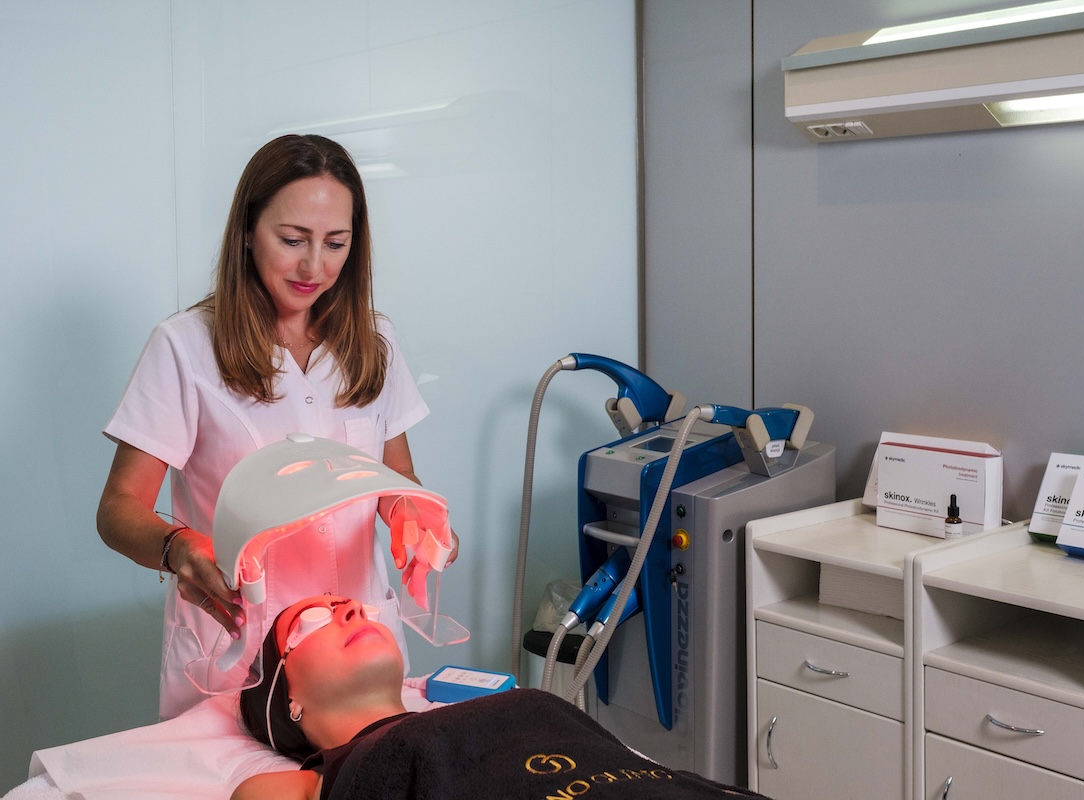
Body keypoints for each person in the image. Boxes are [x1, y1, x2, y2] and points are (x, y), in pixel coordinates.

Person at [96, 134, 456, 720]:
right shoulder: (185, 347)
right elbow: (118, 509)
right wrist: (178, 548)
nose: (315, 266)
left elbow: (397, 478)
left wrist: (414, 517)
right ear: (247, 231)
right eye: (292, 240)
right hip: (237, 647)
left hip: (358, 645)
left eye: (335, 243)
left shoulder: (374, 341)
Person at [234, 596, 769, 800]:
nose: (352, 609)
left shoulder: (514, 704)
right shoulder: (314, 781)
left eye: (354, 605)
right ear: (289, 699)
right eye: (313, 619)